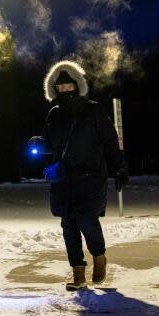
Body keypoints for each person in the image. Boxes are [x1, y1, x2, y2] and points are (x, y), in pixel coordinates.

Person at [40, 60, 128, 290]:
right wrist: (40, 143)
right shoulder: (54, 114)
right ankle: (78, 272)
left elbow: (110, 142)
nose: (65, 89)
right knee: (68, 224)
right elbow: (51, 143)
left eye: (69, 85)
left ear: (78, 85)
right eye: (61, 86)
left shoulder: (94, 110)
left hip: (90, 176)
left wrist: (119, 167)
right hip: (63, 179)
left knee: (87, 219)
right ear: (55, 88)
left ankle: (99, 257)